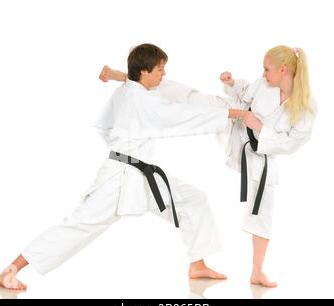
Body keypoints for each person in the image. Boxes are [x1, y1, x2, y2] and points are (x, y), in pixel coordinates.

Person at [0, 43, 245, 290]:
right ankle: (12, 269)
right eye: (160, 69)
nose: (164, 74)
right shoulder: (141, 99)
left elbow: (105, 125)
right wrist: (232, 114)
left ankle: (198, 264)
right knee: (79, 225)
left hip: (140, 173)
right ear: (145, 72)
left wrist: (122, 144)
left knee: (192, 200)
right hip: (119, 179)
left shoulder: (129, 90)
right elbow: (180, 115)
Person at [101, 45, 317, 288]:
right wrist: (232, 83)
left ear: (283, 70)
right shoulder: (265, 84)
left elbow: (291, 143)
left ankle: (257, 271)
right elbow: (245, 93)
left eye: (267, 69)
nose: (264, 73)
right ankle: (125, 76)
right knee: (190, 97)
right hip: (232, 119)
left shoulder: (306, 107)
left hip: (260, 154)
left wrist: (259, 127)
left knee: (262, 212)